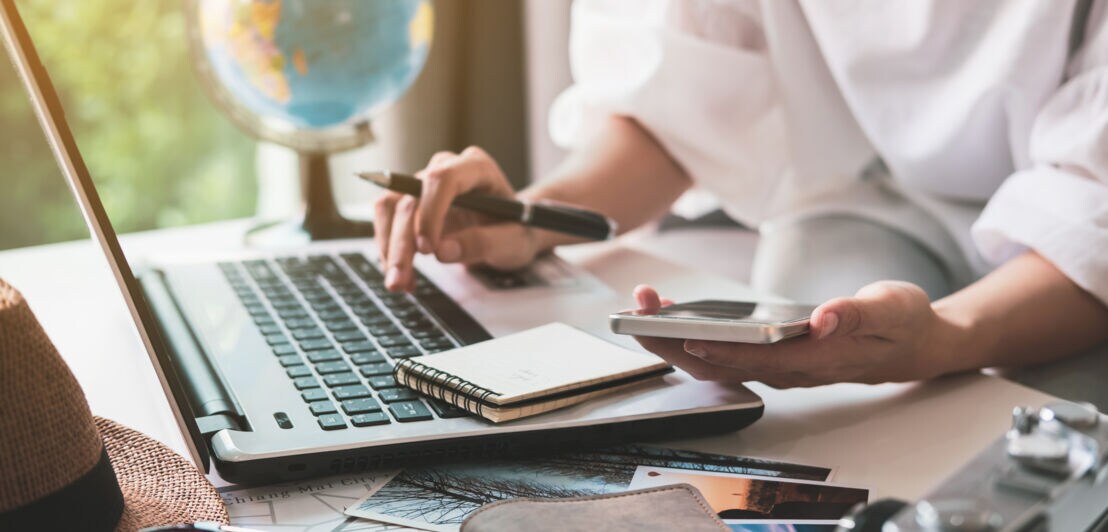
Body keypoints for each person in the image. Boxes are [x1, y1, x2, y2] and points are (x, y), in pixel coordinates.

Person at [373, 0, 1108, 389]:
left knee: (1058, 432)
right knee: (826, 383)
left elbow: (1092, 216)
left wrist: (945, 340)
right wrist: (532, 220)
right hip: (864, 203)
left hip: (1078, 247)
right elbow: (679, 108)